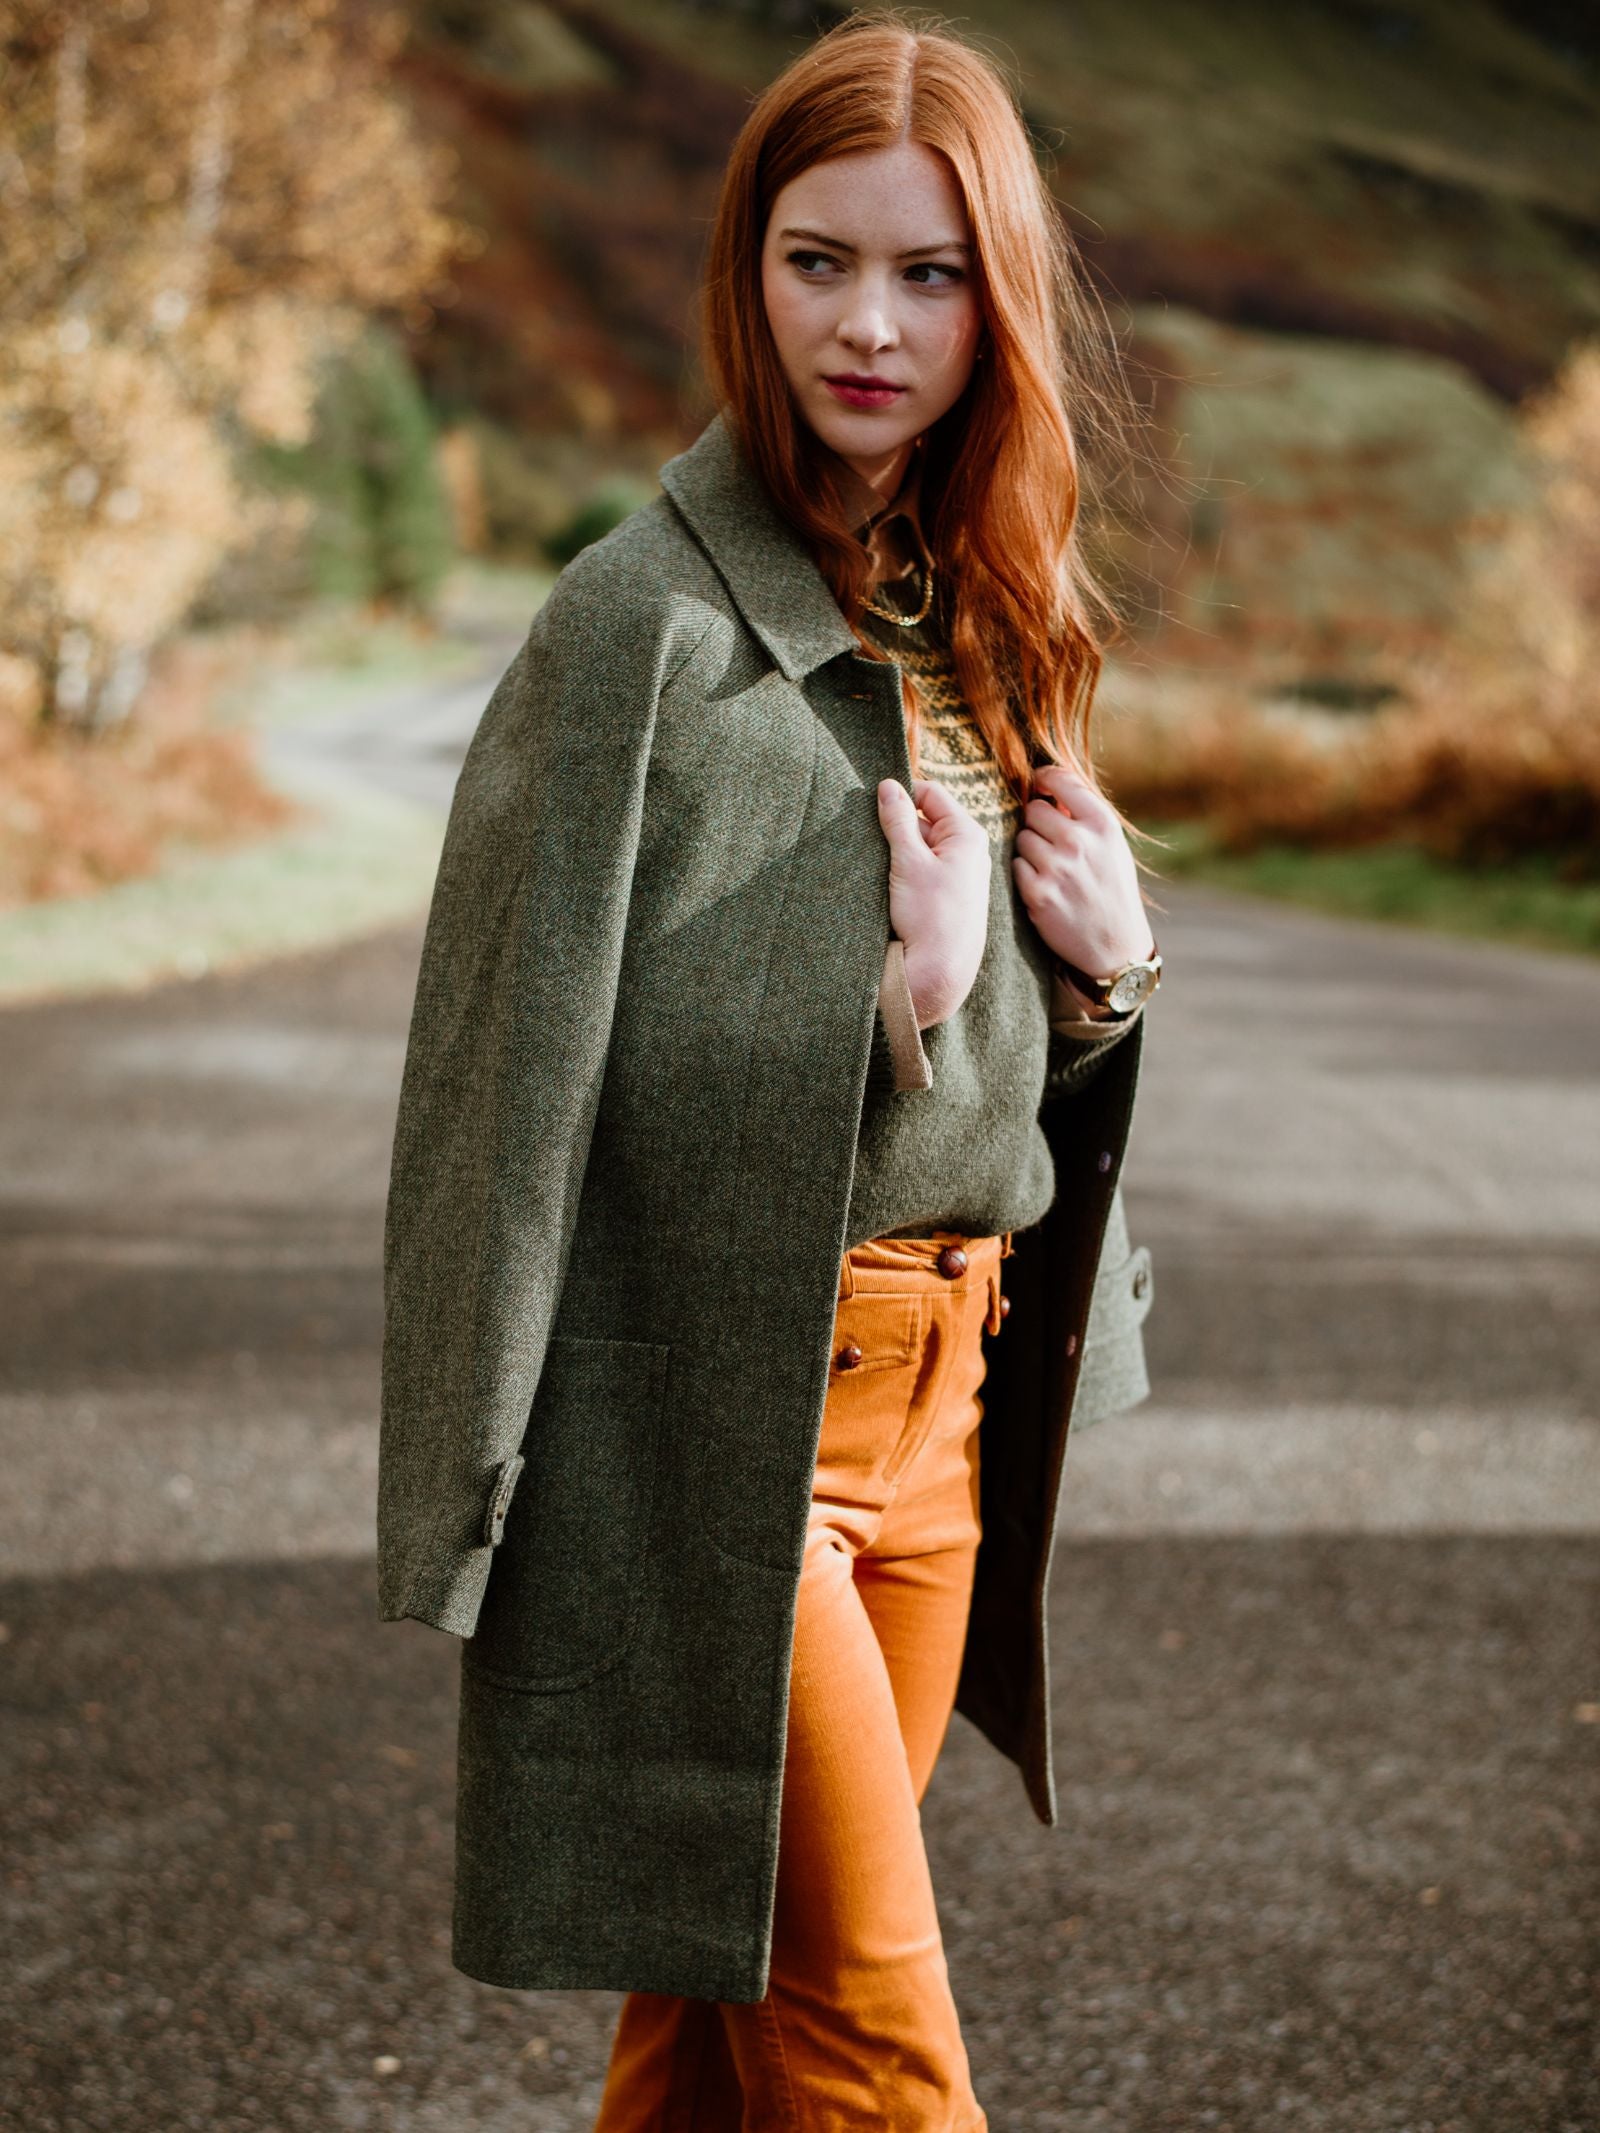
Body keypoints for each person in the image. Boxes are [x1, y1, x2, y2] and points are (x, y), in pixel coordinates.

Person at [377, 12, 1160, 2129]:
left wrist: (1090, 978)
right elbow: (499, 1080)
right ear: (747, 268)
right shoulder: (632, 626)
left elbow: (1011, 1062)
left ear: (994, 298)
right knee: (875, 2048)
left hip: (938, 1417)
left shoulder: (984, 612)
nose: (869, 326)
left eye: (925, 274)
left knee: (711, 2039)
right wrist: (471, 1494)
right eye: (819, 261)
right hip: (717, 1429)